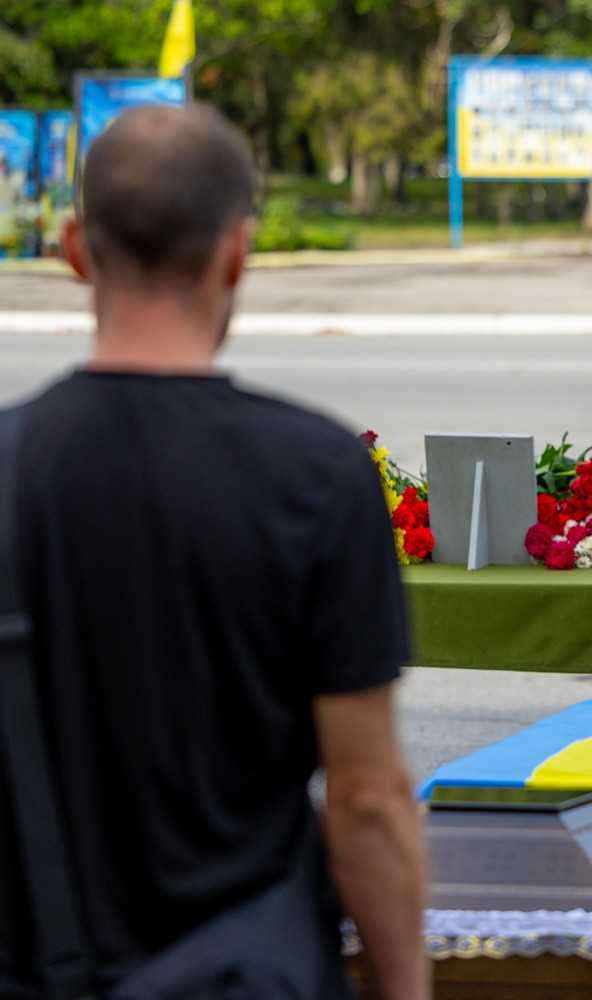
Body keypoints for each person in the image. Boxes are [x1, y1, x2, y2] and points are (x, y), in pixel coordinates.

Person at [0, 104, 428, 1000]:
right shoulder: (315, 474)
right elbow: (366, 797)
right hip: (242, 972)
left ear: (75, 250)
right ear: (237, 252)